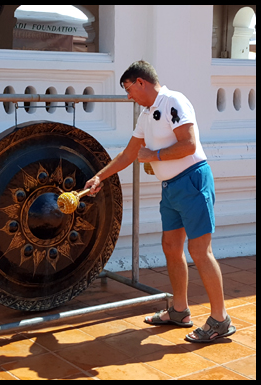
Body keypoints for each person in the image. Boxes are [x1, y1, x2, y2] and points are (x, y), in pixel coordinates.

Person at [84, 60, 235, 343]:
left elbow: (189, 144)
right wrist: (99, 177)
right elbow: (129, 154)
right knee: (170, 246)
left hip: (192, 181)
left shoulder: (172, 101)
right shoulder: (146, 114)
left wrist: (154, 156)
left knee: (200, 250)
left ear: (141, 82)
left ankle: (220, 319)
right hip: (171, 188)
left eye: (129, 89)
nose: (128, 96)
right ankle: (180, 311)